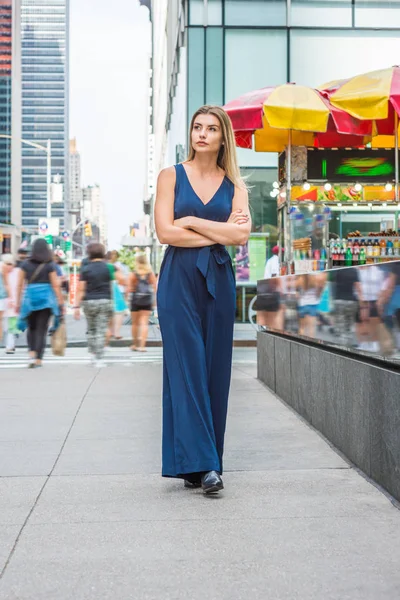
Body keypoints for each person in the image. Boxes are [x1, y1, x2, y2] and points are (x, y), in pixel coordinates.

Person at [155, 105, 251, 494]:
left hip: (219, 280)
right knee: (187, 366)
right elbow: (165, 232)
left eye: (211, 128)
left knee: (214, 370)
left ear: (222, 136)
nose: (202, 134)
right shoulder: (170, 176)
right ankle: (206, 465)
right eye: (197, 127)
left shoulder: (236, 186)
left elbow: (240, 238)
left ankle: (199, 463)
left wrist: (192, 222)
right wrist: (220, 230)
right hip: (178, 280)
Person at [16, 238, 64, 368]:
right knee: (41, 329)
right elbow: (55, 285)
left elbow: (20, 284)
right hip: (46, 300)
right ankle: (38, 359)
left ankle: (31, 354)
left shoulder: (25, 264)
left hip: (30, 299)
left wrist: (17, 302)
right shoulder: (50, 265)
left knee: (31, 327)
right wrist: (60, 302)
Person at [74, 242, 114, 367]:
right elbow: (113, 285)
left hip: (88, 302)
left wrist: (76, 306)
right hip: (104, 301)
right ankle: (99, 358)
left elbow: (80, 289)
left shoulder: (85, 269)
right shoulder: (108, 267)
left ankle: (92, 354)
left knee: (91, 329)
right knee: (101, 330)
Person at [128, 254, 157, 352]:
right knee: (144, 323)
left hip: (135, 300)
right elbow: (155, 288)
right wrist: (154, 301)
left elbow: (129, 289)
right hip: (147, 300)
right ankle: (142, 346)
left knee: (135, 323)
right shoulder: (150, 274)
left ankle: (135, 344)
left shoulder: (134, 274)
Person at [108, 250, 128, 340]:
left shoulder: (102, 265)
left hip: (103, 290)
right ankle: (115, 332)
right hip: (114, 289)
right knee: (119, 311)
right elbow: (122, 279)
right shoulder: (115, 267)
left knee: (110, 312)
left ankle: (111, 331)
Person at [2, 254, 19, 354]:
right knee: (6, 326)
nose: (9, 266)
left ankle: (10, 345)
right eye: (6, 264)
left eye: (10, 264)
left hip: (14, 304)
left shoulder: (17, 272)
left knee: (11, 326)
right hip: (4, 303)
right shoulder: (2, 274)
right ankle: (10, 345)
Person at [0, 253, 10, 346]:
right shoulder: (3, 267)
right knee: (1, 319)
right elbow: (6, 283)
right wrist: (10, 296)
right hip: (2, 296)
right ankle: (1, 337)